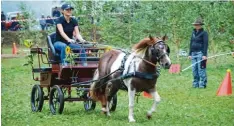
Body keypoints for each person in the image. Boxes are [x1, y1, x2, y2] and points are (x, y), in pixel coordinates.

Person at [188, 18, 208, 88]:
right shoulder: (193, 33)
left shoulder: (204, 33)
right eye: (195, 25)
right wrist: (190, 54)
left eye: (198, 25)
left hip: (200, 53)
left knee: (201, 69)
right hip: (193, 53)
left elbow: (205, 44)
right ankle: (195, 84)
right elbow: (191, 43)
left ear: (200, 25)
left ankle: (202, 84)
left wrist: (205, 55)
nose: (196, 26)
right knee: (194, 69)